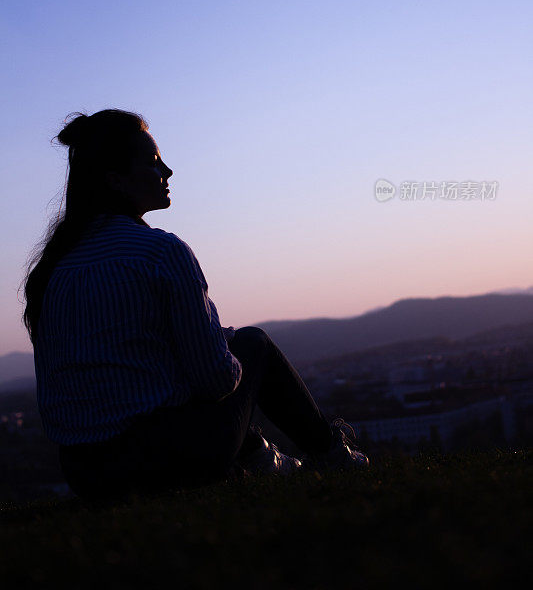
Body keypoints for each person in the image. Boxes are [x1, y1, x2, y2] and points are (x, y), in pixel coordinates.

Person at [23, 109, 369, 503]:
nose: (167, 172)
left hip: (86, 474)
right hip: (170, 462)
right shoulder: (161, 253)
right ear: (114, 179)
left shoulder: (52, 270)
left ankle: (264, 459)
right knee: (254, 344)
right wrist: (222, 346)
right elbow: (216, 380)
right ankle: (334, 455)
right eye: (153, 163)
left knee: (182, 374)